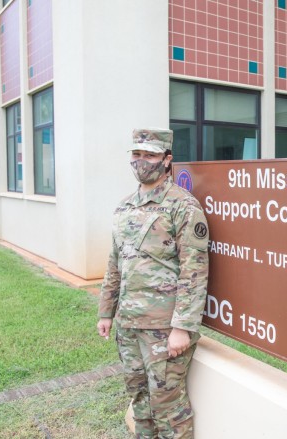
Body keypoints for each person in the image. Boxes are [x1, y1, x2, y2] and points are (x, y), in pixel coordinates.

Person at [97, 128, 209, 439]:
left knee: (168, 406)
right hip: (129, 324)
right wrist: (107, 312)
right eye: (137, 154)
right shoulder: (125, 206)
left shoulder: (182, 206)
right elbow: (115, 262)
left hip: (163, 326)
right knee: (139, 399)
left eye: (150, 155)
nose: (141, 161)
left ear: (167, 160)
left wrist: (182, 326)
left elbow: (194, 269)